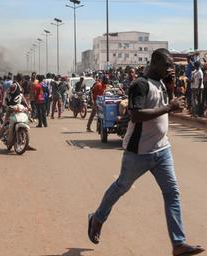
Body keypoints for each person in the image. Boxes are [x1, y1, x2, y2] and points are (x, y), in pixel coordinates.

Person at [87, 49, 205, 256]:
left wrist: (170, 89)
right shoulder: (139, 85)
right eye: (167, 65)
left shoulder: (161, 82)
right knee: (121, 186)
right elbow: (136, 115)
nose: (171, 69)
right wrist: (169, 107)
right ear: (155, 63)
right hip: (138, 152)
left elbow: (166, 104)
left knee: (172, 193)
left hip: (162, 150)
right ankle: (97, 218)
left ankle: (178, 243)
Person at [0, 73, 31, 152]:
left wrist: (27, 106)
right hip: (11, 109)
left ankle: (26, 143)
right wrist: (4, 103)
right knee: (4, 127)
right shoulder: (14, 86)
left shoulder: (19, 87)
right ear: (21, 80)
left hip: (18, 108)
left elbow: (22, 97)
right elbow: (6, 92)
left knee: (25, 121)